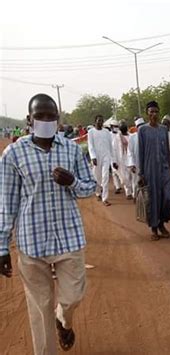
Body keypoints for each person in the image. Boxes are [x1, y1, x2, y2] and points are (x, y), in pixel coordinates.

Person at [0, 94, 96, 355]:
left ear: (58, 118)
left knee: (73, 296)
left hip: (69, 238)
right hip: (32, 242)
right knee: (39, 309)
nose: (45, 120)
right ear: (29, 120)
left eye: (50, 115)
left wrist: (72, 182)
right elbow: (6, 202)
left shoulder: (72, 149)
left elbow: (90, 188)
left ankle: (63, 320)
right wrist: (2, 247)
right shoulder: (13, 154)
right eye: (39, 116)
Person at [138, 101, 170, 240]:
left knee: (166, 197)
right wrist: (141, 173)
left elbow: (166, 149)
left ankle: (162, 223)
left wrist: (169, 163)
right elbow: (141, 152)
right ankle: (154, 228)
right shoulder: (143, 130)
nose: (154, 114)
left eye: (156, 112)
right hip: (149, 169)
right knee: (152, 198)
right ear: (147, 113)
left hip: (163, 169)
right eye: (151, 111)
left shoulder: (163, 129)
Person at [88, 115, 117, 206]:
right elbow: (90, 146)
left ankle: (105, 198)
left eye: (101, 121)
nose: (100, 122)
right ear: (95, 121)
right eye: (98, 121)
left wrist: (113, 159)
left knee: (105, 177)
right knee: (97, 176)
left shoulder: (106, 132)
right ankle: (97, 192)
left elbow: (110, 146)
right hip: (96, 157)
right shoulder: (91, 132)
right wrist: (93, 157)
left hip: (106, 156)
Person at [112, 120, 133, 199]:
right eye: (121, 126)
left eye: (124, 125)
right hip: (121, 159)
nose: (123, 127)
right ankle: (128, 190)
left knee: (132, 176)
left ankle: (131, 193)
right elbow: (113, 150)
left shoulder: (131, 136)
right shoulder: (116, 138)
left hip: (130, 158)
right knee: (124, 178)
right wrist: (114, 161)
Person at [127, 117, 146, 199]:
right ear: (136, 127)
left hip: (146, 162)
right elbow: (129, 151)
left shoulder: (147, 136)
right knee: (136, 180)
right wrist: (131, 164)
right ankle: (135, 196)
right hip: (136, 162)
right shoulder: (132, 137)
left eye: (142, 125)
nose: (141, 127)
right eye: (139, 126)